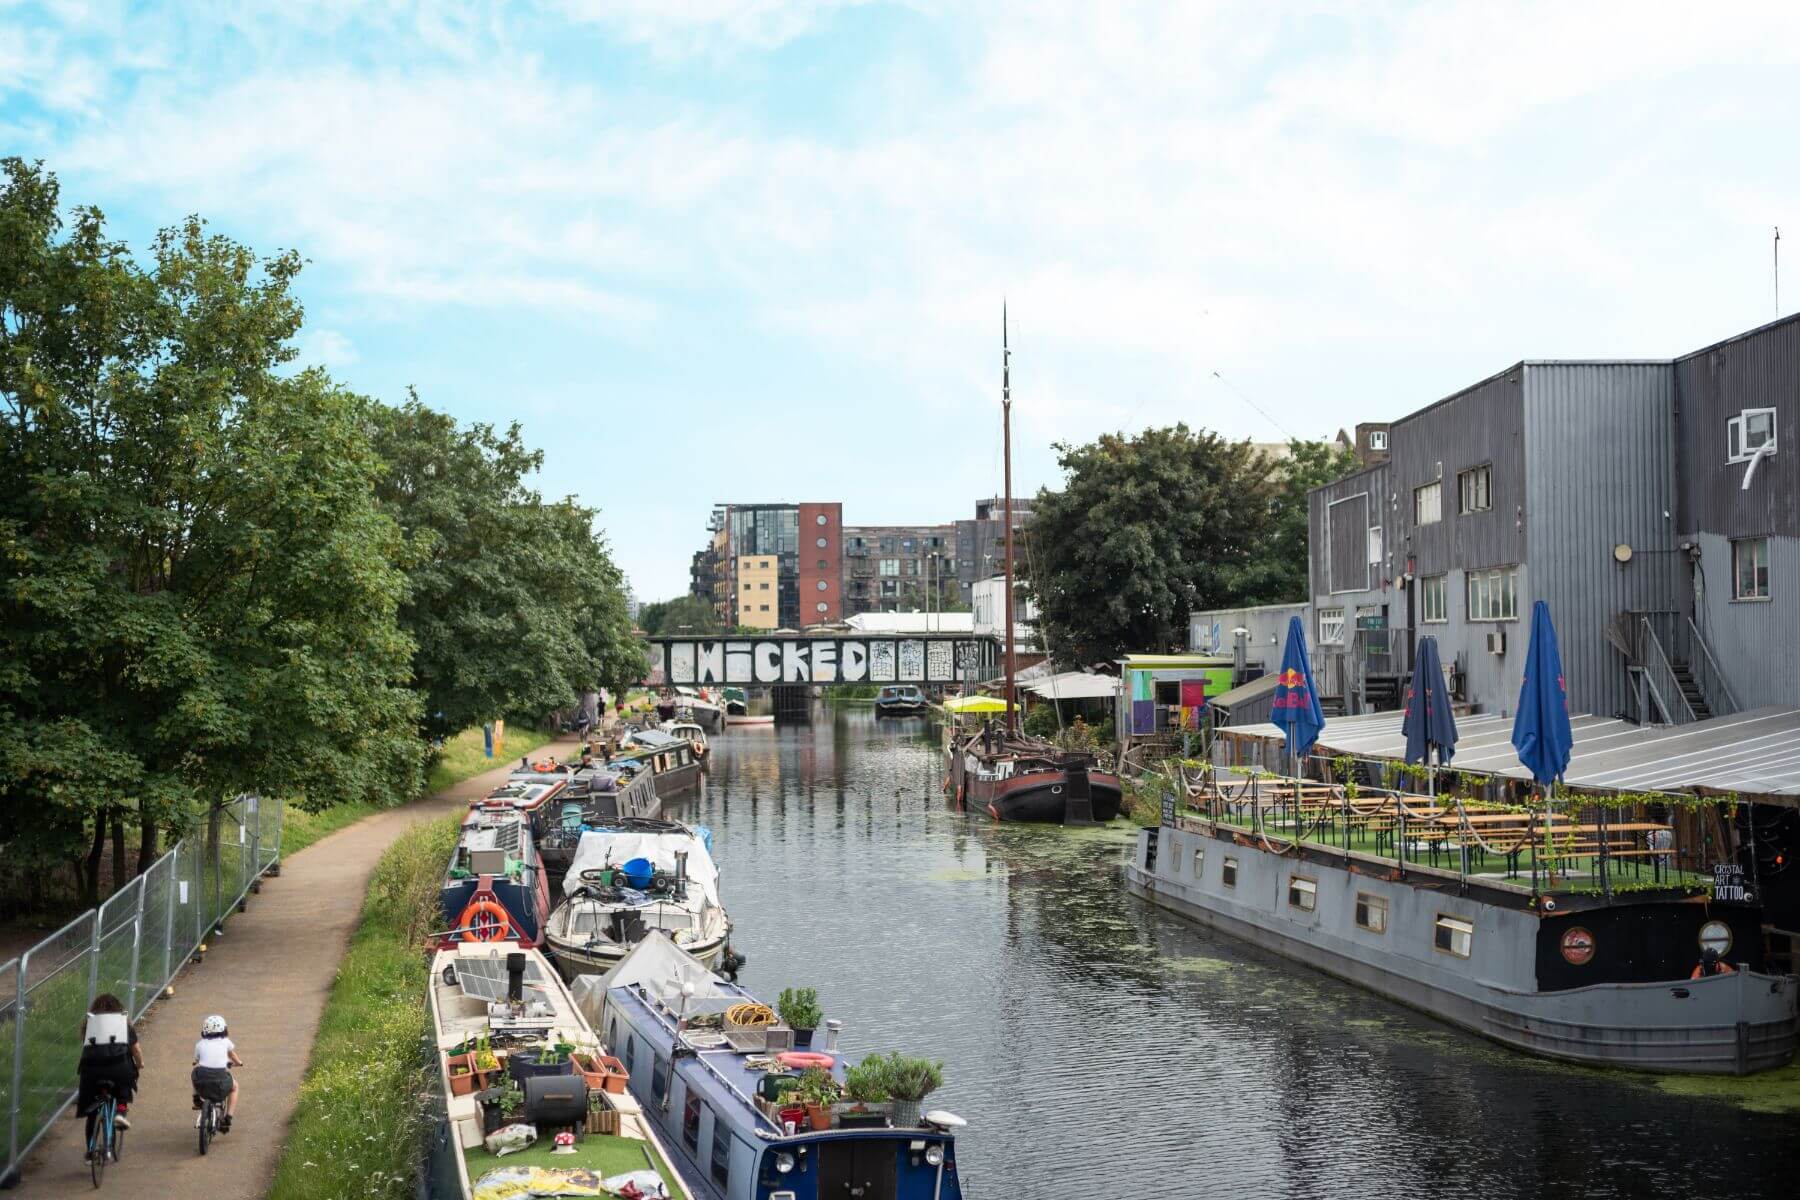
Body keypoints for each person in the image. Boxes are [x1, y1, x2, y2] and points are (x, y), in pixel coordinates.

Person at [77, 993, 141, 1130]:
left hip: (91, 1071)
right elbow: (136, 1050)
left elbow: (86, 1047)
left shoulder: (90, 1024)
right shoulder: (123, 1024)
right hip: (118, 1068)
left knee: (92, 1114)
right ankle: (121, 1111)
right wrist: (139, 1064)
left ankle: (90, 1148)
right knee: (124, 1086)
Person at [191, 1014, 244, 1132]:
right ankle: (228, 1118)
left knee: (194, 1073)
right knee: (235, 1087)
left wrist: (195, 1062)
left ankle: (196, 1098)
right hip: (220, 1079)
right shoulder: (226, 1042)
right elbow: (232, 1055)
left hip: (203, 1080)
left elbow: (196, 1060)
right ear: (224, 1029)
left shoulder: (199, 1044)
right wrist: (238, 1063)